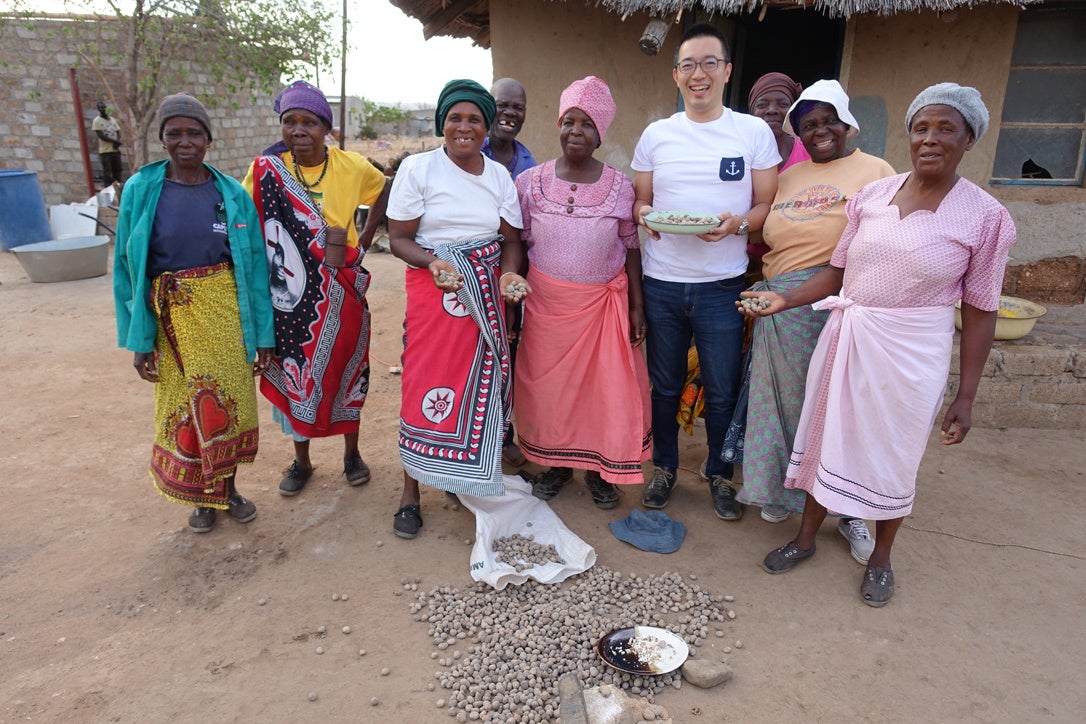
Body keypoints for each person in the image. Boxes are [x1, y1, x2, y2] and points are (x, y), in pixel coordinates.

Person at [742, 82, 1015, 607]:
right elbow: (837, 273)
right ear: (909, 136)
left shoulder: (986, 217)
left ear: (969, 139)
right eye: (921, 128)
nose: (930, 139)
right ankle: (805, 538)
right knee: (826, 435)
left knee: (895, 452)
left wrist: (966, 395)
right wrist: (786, 299)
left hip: (913, 352)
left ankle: (882, 557)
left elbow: (982, 311)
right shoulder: (873, 197)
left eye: (946, 129)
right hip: (849, 336)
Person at [735, 80, 895, 567]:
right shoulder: (788, 176)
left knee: (840, 411)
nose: (820, 131)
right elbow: (766, 233)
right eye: (809, 125)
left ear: (847, 123)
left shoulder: (878, 172)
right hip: (781, 307)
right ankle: (782, 491)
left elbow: (884, 245)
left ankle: (848, 511)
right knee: (782, 405)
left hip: (839, 304)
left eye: (829, 121)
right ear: (799, 133)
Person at [632, 23, 779, 520]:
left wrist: (739, 224)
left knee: (721, 387)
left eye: (709, 63)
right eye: (689, 65)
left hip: (721, 285)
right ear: (676, 75)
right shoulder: (657, 135)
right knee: (665, 386)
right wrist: (645, 216)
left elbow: (765, 203)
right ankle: (664, 468)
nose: (699, 74)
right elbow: (642, 200)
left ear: (727, 71)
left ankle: (719, 472)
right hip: (662, 282)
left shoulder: (752, 132)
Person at [113, 93, 275, 533]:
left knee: (226, 403)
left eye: (194, 133)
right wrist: (139, 339)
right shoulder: (141, 190)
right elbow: (127, 269)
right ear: (162, 139)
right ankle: (202, 499)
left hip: (225, 314)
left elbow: (255, 269)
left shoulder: (231, 194)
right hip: (169, 319)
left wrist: (263, 335)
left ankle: (230, 490)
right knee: (184, 407)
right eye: (175, 133)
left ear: (208, 139)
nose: (185, 142)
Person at [387, 79, 529, 539]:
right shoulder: (418, 168)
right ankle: (411, 490)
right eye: (455, 118)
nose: (464, 127)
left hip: (485, 295)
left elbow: (511, 241)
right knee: (422, 383)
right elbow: (399, 238)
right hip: (435, 292)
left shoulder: (499, 177)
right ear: (441, 123)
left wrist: (508, 274)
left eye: (474, 119)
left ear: (487, 127)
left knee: (476, 391)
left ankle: (461, 475)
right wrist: (434, 263)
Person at [243, 80, 390, 497]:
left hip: (341, 289)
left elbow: (384, 188)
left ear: (326, 128)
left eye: (309, 122)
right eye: (290, 121)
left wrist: (365, 237)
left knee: (348, 369)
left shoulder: (351, 166)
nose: (298, 130)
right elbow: (245, 214)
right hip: (289, 297)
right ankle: (302, 461)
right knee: (297, 376)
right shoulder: (267, 170)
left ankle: (352, 455)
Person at [513, 76, 651, 510]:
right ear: (559, 124)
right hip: (545, 307)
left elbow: (631, 248)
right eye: (570, 121)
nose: (577, 131)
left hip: (600, 309)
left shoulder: (620, 186)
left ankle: (597, 472)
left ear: (601, 133)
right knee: (550, 392)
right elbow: (517, 243)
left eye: (587, 124)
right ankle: (556, 465)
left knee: (600, 393)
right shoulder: (529, 183)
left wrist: (637, 306)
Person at [482, 77, 537, 468]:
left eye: (518, 107)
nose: (510, 113)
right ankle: (473, 439)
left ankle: (502, 435)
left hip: (514, 273)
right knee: (470, 354)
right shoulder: (470, 150)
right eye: (503, 104)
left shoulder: (530, 165)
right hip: (470, 269)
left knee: (508, 353)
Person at [745, 72, 810, 276]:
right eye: (762, 104)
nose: (772, 110)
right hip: (741, 261)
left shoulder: (808, 153)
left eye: (783, 104)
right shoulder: (737, 153)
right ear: (751, 110)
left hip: (794, 264)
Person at [92, 100, 124, 187]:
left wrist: (117, 142)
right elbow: (101, 136)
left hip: (115, 150)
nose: (103, 109)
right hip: (105, 151)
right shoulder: (97, 121)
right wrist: (114, 141)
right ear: (98, 109)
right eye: (101, 108)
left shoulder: (112, 120)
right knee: (108, 171)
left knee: (118, 169)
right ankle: (109, 187)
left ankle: (119, 186)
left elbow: (117, 131)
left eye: (104, 107)